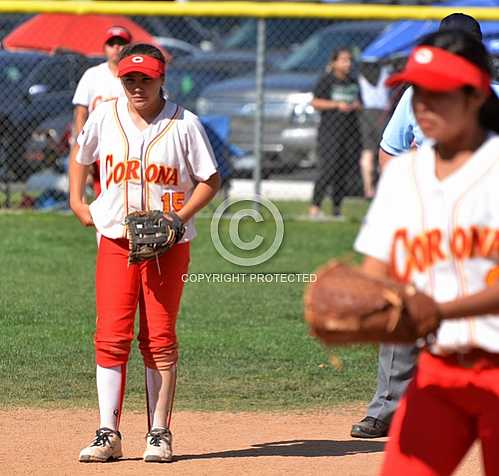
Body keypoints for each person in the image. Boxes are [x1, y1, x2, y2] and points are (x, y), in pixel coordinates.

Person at [354, 29, 499, 475]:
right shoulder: (404, 177)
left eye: (438, 94)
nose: (421, 106)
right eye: (418, 92)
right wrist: (360, 305)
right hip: (440, 371)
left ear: (475, 96)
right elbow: (378, 269)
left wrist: (434, 308)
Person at [69, 43, 221, 463]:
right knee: (111, 335)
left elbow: (210, 179)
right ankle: (107, 433)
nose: (138, 85)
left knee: (158, 338)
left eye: (146, 78)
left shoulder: (184, 123)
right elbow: (81, 157)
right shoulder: (105, 115)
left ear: (162, 80)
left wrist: (178, 219)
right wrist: (76, 201)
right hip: (117, 240)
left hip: (167, 247)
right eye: (130, 78)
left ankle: (159, 433)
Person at [72, 25, 132, 197]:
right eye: (111, 43)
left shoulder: (136, 77)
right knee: (103, 196)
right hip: (99, 144)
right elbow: (80, 113)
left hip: (130, 144)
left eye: (121, 43)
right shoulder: (93, 75)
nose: (116, 48)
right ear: (104, 48)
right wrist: (83, 146)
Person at [309, 48, 362, 220]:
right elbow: (316, 102)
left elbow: (361, 103)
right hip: (330, 132)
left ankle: (336, 209)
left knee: (343, 170)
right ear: (334, 63)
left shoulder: (353, 81)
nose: (348, 64)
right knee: (328, 168)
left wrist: (355, 105)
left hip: (349, 132)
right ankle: (315, 207)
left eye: (349, 60)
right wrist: (336, 105)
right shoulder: (327, 80)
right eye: (344, 60)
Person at [358, 62, 391, 198]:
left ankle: (368, 188)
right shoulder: (386, 71)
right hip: (382, 113)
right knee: (384, 151)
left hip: (366, 113)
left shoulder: (360, 74)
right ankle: (382, 187)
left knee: (368, 152)